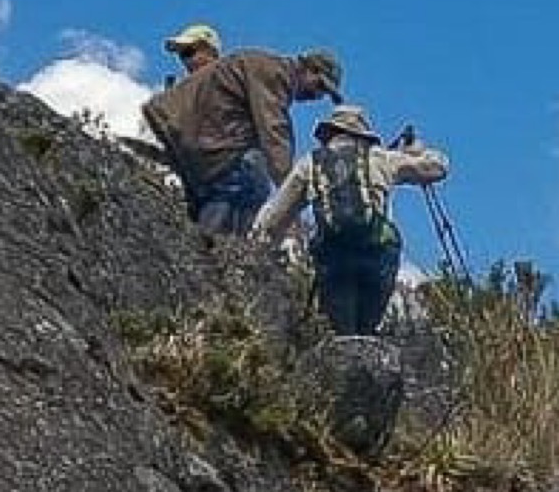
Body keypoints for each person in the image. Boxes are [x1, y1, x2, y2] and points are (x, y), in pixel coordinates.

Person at [253, 106, 448, 335]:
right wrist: (417, 152)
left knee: (341, 331)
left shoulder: (311, 163)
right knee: (368, 327)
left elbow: (274, 218)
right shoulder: (382, 159)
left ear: (330, 133)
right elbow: (438, 168)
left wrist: (257, 249)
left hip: (333, 255)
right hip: (377, 254)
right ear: (363, 135)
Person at [141, 46, 344, 234]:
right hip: (192, 131)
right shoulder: (275, 73)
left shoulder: (267, 67)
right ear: (309, 69)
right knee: (251, 182)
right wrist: (290, 191)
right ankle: (210, 246)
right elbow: (274, 132)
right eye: (319, 86)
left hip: (192, 130)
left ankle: (203, 236)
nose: (317, 95)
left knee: (225, 182)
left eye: (323, 93)